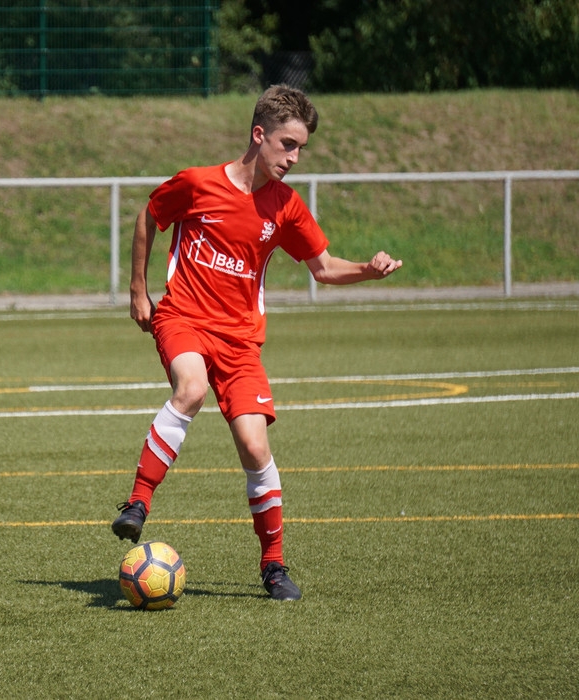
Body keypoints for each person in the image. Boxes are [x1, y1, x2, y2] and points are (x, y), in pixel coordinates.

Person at [111, 85, 402, 600]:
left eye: (301, 149)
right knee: (191, 388)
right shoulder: (197, 184)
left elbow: (323, 267)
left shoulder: (286, 206)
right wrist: (138, 290)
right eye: (288, 144)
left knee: (254, 445)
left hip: (241, 342)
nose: (294, 158)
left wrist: (368, 269)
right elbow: (148, 217)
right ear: (258, 134)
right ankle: (137, 503)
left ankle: (273, 566)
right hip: (184, 318)